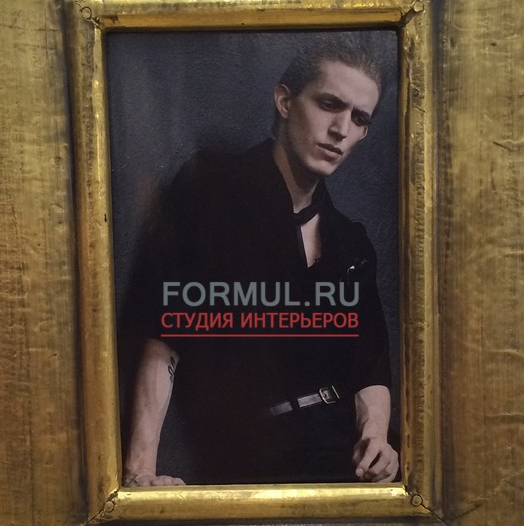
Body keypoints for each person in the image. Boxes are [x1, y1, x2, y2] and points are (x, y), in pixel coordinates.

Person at [122, 35, 399, 487]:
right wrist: (141, 471)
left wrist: (376, 440)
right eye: (329, 104)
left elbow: (369, 366)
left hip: (339, 453)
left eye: (359, 118)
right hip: (248, 455)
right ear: (285, 101)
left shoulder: (350, 241)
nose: (341, 129)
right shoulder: (210, 192)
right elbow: (164, 336)